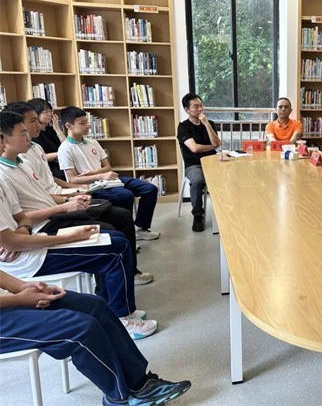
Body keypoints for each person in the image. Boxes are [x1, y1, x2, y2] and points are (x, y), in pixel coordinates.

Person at [0, 151, 157, 339]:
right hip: (27, 259)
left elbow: (22, 220)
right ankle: (121, 318)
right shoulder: (4, 174)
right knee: (115, 250)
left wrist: (21, 230)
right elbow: (13, 243)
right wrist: (71, 237)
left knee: (116, 239)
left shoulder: (12, 171)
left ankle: (116, 310)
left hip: (32, 241)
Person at [4, 103, 152, 285]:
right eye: (31, 122)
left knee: (125, 209)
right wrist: (69, 199)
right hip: (49, 219)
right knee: (117, 213)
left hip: (59, 202)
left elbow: (45, 187)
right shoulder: (12, 167)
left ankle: (129, 265)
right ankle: (119, 272)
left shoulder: (29, 155)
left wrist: (72, 194)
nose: (38, 125)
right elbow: (20, 219)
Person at [0, 269, 191, 405]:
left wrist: (24, 287)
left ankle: (140, 383)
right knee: (81, 329)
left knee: (95, 306)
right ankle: (119, 399)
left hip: (8, 299)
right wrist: (20, 299)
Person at [57, 106, 160, 241]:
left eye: (87, 122)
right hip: (91, 186)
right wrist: (99, 175)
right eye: (82, 123)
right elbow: (73, 180)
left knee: (150, 189)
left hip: (108, 180)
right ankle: (124, 235)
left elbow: (107, 167)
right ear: (68, 126)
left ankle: (139, 228)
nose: (88, 126)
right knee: (125, 196)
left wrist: (96, 172)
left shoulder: (92, 142)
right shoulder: (65, 149)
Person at [177, 93, 221, 232]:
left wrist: (206, 124)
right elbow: (194, 148)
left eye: (201, 105)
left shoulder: (210, 123)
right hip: (194, 164)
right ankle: (197, 215)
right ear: (187, 110)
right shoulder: (183, 127)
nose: (200, 109)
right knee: (197, 180)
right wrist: (212, 146)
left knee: (228, 176)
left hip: (212, 161)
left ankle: (224, 211)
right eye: (195, 106)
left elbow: (217, 143)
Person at [29, 98, 67, 181]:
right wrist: (60, 153)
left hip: (60, 163)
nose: (49, 114)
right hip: (48, 167)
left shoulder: (51, 129)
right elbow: (41, 157)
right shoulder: (34, 134)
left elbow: (67, 146)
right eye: (45, 112)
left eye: (50, 111)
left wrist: (57, 129)